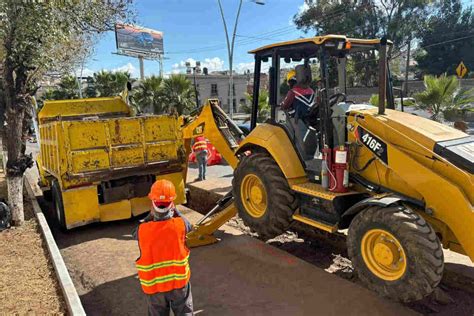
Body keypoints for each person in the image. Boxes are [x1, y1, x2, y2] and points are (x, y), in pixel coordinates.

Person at [134, 179, 193, 316]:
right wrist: (175, 209)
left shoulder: (142, 230)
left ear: (152, 204)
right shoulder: (180, 225)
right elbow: (188, 225)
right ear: (172, 204)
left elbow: (136, 232)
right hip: (179, 285)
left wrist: (151, 215)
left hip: (155, 289)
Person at [280, 65, 317, 158]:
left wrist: (281, 104)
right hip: (311, 120)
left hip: (297, 121)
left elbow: (285, 106)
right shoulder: (311, 91)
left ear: (291, 81)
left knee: (289, 132)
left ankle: (297, 156)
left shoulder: (292, 92)